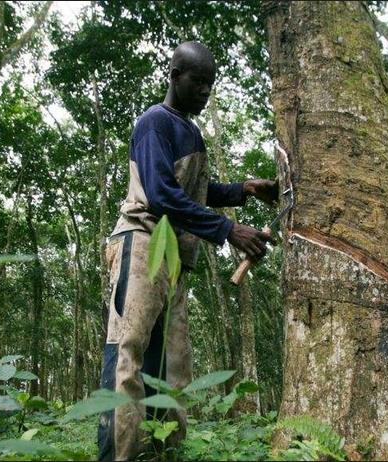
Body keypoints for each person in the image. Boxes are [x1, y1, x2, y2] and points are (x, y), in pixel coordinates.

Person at [97, 41, 278, 461]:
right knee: (128, 355)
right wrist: (227, 230)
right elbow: (160, 194)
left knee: (172, 368)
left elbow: (192, 191)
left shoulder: (190, 130)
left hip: (175, 259)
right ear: (175, 75)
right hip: (141, 242)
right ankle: (116, 456)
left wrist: (244, 190)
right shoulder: (154, 122)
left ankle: (163, 454)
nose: (205, 91)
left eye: (211, 84)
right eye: (198, 82)